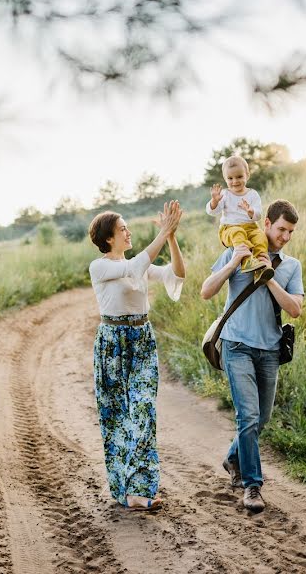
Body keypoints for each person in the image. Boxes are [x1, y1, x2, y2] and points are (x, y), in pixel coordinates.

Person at [200, 199, 303, 513]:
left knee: (263, 418)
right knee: (248, 416)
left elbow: (295, 309)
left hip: (270, 349)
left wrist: (267, 276)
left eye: (291, 232)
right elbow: (206, 291)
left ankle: (234, 458)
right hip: (237, 346)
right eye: (282, 229)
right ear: (267, 224)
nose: (285, 236)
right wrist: (234, 263)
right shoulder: (237, 248)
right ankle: (252, 486)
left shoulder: (290, 266)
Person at [88, 200, 185, 511]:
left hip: (141, 339)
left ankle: (142, 490)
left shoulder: (140, 266)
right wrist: (163, 232)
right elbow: (132, 268)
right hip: (112, 343)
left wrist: (171, 237)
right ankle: (125, 490)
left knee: (143, 411)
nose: (128, 232)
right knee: (116, 416)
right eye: (122, 229)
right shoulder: (101, 266)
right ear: (108, 238)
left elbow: (176, 274)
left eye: (127, 227)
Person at [205, 155, 273, 283]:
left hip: (251, 227)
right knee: (238, 232)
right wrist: (214, 201)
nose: (235, 181)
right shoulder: (225, 194)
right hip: (229, 229)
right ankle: (247, 261)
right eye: (230, 178)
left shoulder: (253, 194)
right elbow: (212, 211)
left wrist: (250, 211)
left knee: (261, 238)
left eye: (239, 177)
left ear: (247, 175)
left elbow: (258, 215)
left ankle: (260, 268)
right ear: (225, 179)